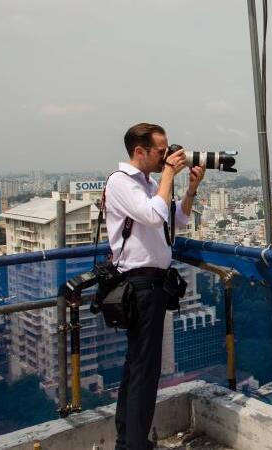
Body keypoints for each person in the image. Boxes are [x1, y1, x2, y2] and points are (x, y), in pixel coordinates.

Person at [105, 122, 205, 450]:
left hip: (153, 284)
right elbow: (151, 215)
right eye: (160, 152)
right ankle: (134, 444)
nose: (167, 156)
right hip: (140, 284)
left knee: (137, 366)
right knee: (144, 372)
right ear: (139, 151)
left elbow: (177, 219)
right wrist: (167, 176)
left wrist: (189, 189)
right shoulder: (121, 183)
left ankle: (128, 441)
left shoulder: (147, 183)